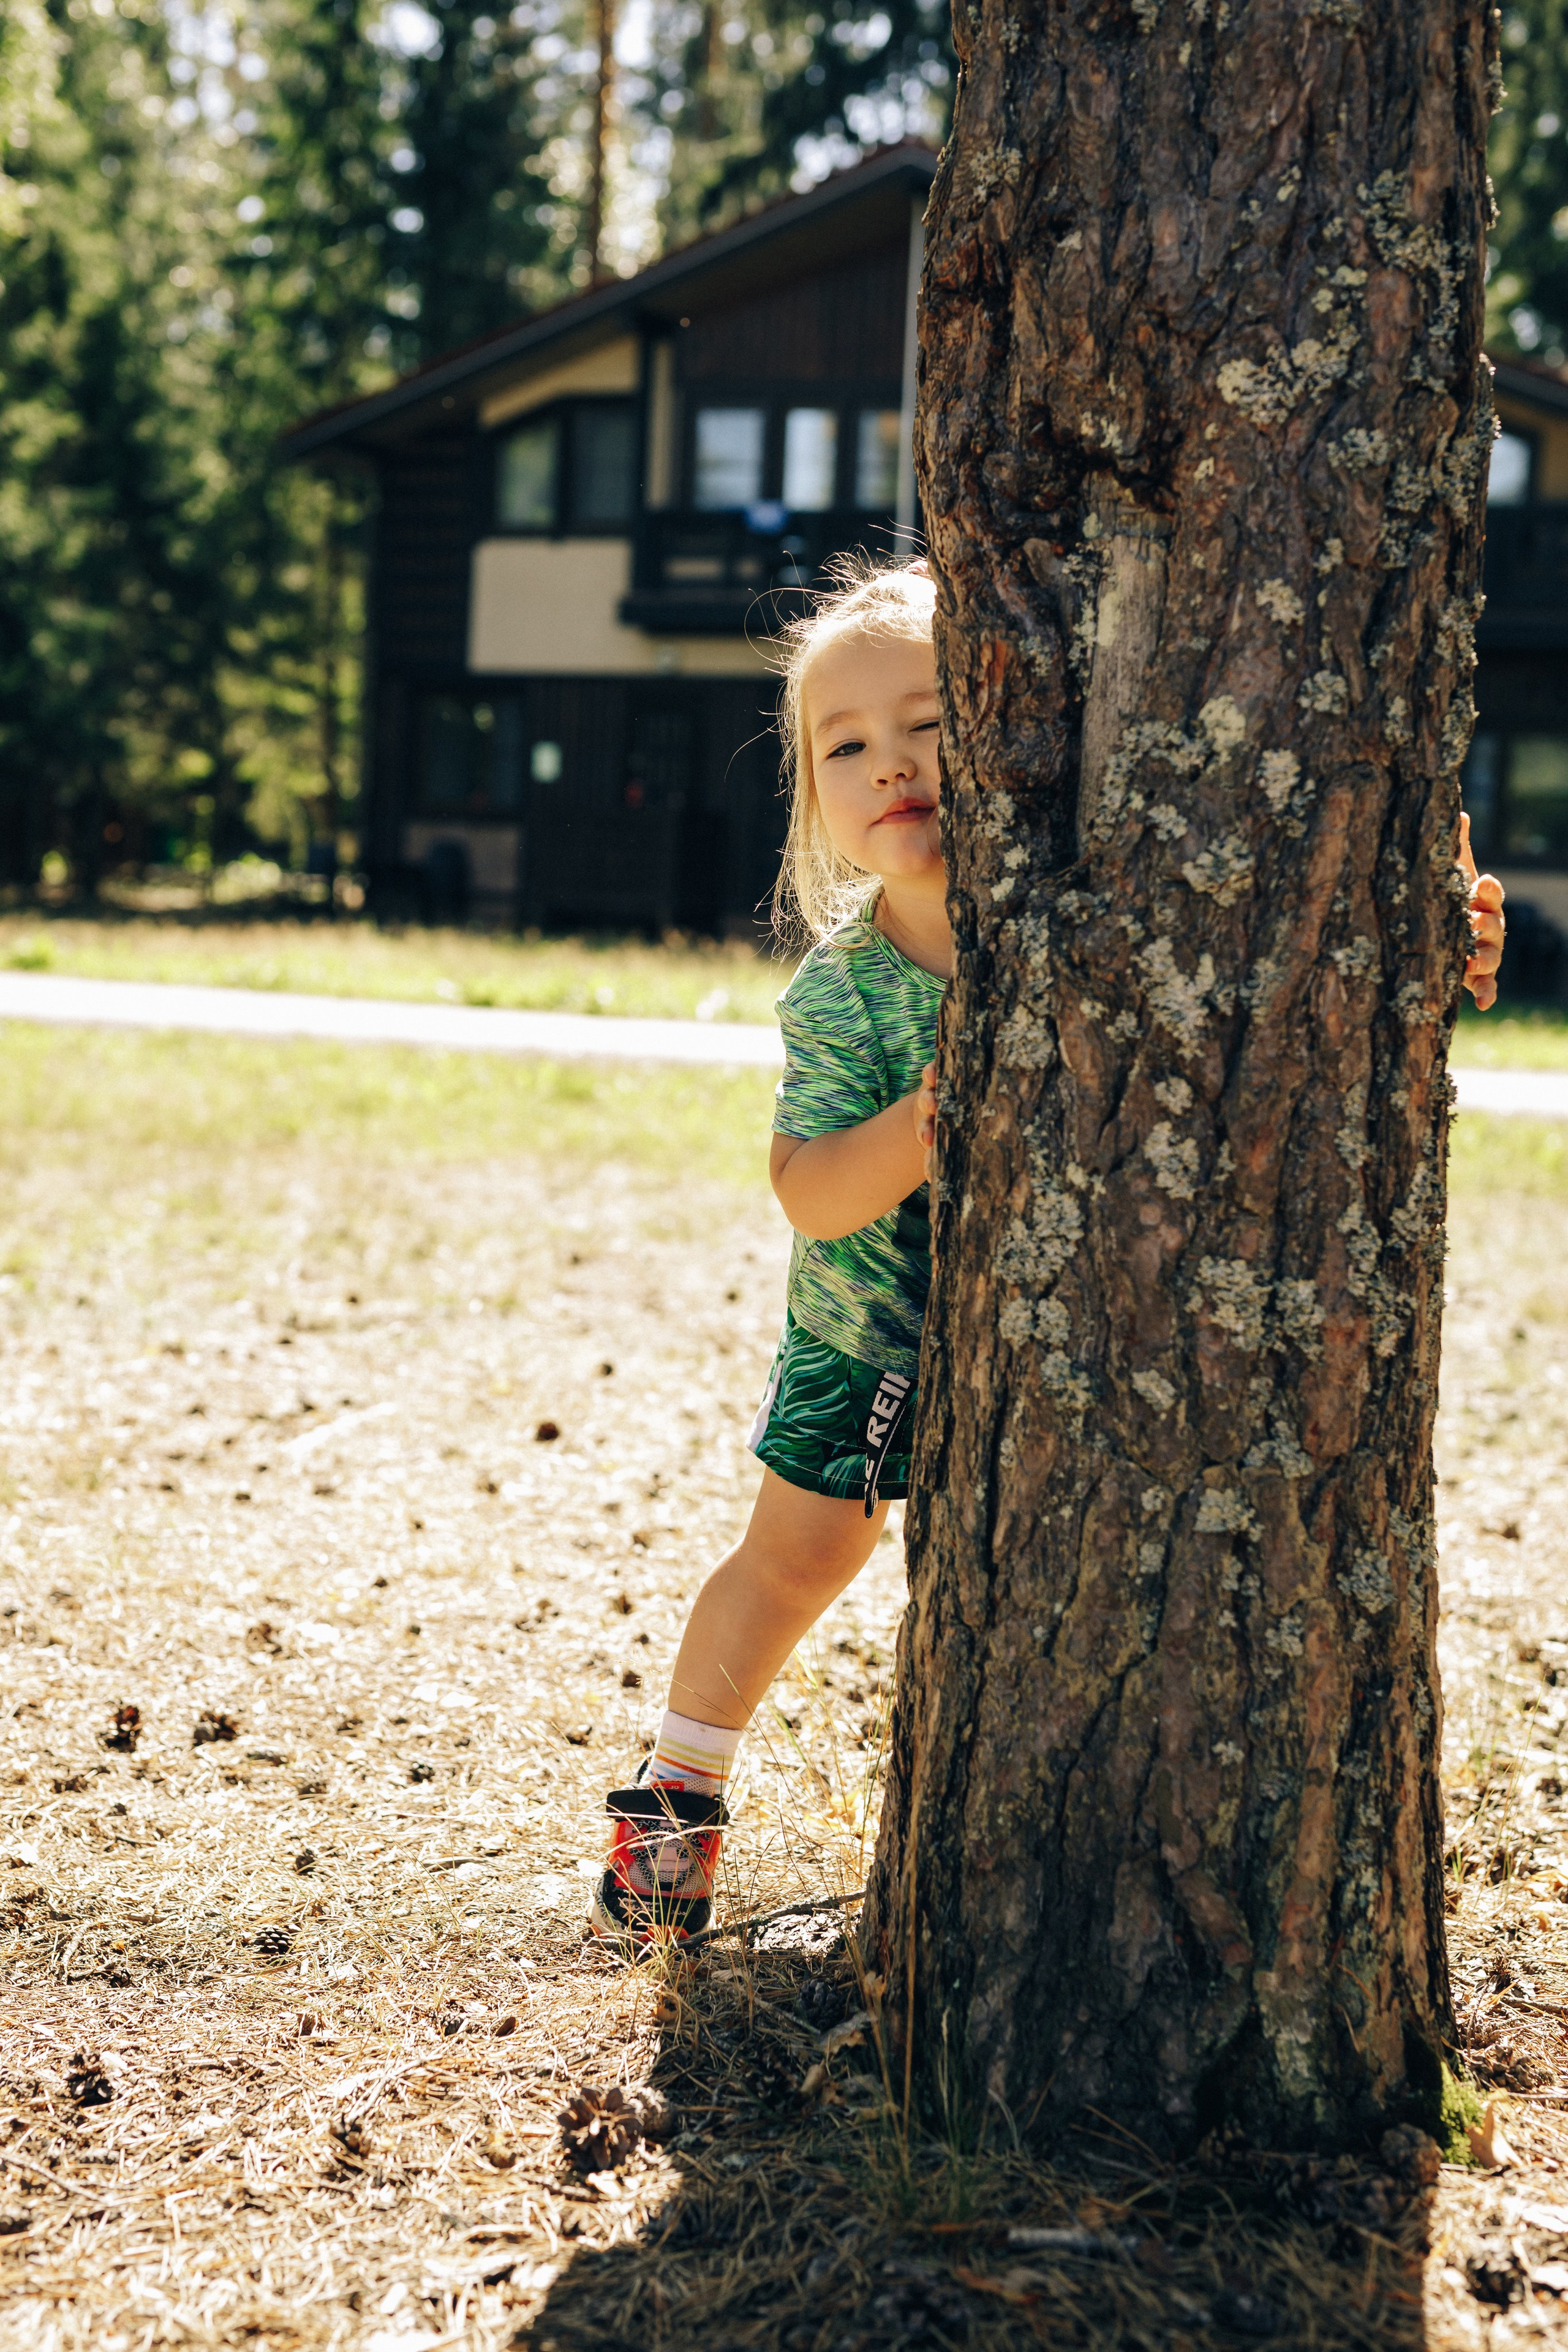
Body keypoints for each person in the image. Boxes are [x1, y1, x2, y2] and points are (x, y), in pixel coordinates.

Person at [589, 558, 1507, 1953]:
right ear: (813, 798)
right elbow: (809, 1192)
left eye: (928, 723)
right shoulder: (844, 988)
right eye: (845, 747)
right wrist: (930, 1116)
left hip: (1054, 1333)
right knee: (794, 1559)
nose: (889, 764)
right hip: (871, 1340)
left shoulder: (1083, 908)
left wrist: (1431, 938)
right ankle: (674, 1804)